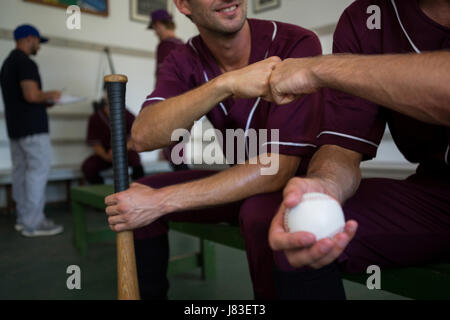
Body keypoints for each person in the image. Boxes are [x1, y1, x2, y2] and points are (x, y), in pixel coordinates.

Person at [105, 0, 323, 300]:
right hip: (241, 182)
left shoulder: (295, 42)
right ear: (183, 4)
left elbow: (279, 168)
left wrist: (162, 201)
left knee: (259, 214)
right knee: (136, 195)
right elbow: (143, 135)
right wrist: (226, 84)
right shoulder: (184, 58)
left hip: (296, 189)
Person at [267, 0, 450, 299]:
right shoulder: (366, 16)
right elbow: (341, 146)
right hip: (439, 194)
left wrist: (320, 69)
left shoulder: (317, 62)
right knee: (300, 230)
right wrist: (324, 185)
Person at [0, 25, 64, 237]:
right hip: (33, 129)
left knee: (21, 173)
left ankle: (23, 218)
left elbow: (22, 99)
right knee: (37, 173)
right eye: (38, 41)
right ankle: (34, 223)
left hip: (16, 129)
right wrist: (52, 94)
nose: (39, 46)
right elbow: (31, 95)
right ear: (29, 38)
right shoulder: (26, 63)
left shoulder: (8, 63)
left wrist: (45, 102)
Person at [148, 9, 189, 171]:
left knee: (174, 155)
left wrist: (155, 105)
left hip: (169, 104)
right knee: (178, 152)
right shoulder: (184, 45)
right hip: (186, 103)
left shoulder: (164, 46)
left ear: (159, 25)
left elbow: (162, 80)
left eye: (155, 28)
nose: (155, 33)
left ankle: (186, 188)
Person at [81, 90, 144, 184]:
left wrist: (119, 151)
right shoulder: (95, 118)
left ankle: (140, 188)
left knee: (135, 159)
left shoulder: (129, 116)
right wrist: (106, 155)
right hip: (105, 154)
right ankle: (100, 191)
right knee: (88, 166)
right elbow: (95, 144)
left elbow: (133, 139)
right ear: (105, 95)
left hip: (124, 152)